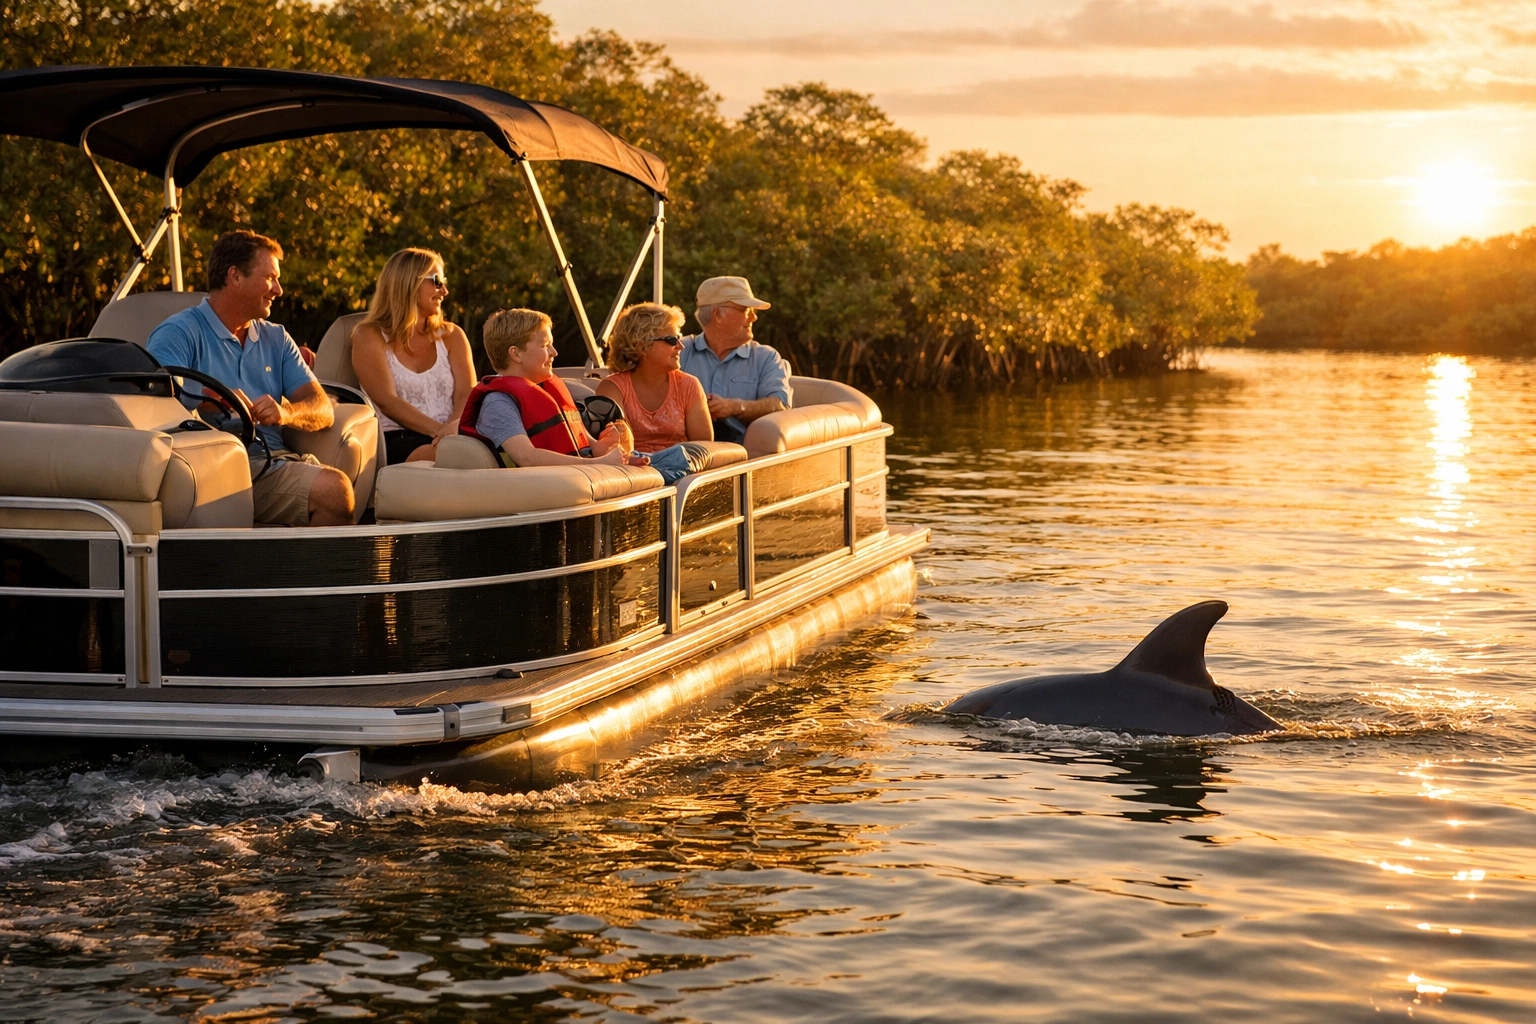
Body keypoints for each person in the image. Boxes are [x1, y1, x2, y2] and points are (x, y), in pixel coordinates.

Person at [147, 230, 354, 527]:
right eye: (270, 277)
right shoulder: (177, 334)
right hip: (207, 471)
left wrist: (286, 412)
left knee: (336, 489)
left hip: (270, 465)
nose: (279, 289)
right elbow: (153, 408)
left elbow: (321, 407)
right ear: (235, 276)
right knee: (334, 490)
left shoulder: (277, 338)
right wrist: (213, 401)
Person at [459, 308, 648, 470]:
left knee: (673, 458)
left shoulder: (546, 390)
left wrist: (609, 447)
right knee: (674, 463)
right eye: (545, 345)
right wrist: (600, 463)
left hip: (581, 471)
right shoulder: (498, 404)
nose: (554, 352)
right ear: (516, 354)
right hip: (548, 488)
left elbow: (590, 445)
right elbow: (527, 457)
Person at [350, 248, 474, 464]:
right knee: (455, 458)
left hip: (451, 436)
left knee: (476, 453)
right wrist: (440, 432)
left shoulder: (453, 336)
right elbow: (387, 401)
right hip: (396, 437)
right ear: (409, 283)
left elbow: (467, 393)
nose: (444, 291)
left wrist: (454, 429)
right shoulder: (369, 335)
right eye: (437, 281)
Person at [678, 275, 792, 444]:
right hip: (684, 456)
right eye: (746, 310)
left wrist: (735, 407)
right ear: (717, 314)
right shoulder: (679, 351)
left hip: (744, 462)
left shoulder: (766, 357)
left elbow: (780, 404)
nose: (754, 317)